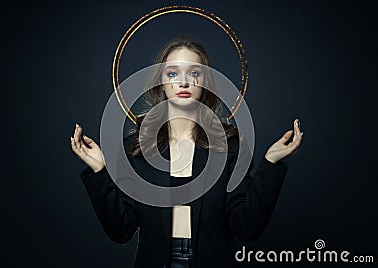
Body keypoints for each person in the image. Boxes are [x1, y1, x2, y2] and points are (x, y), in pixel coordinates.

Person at [70, 36, 303, 268]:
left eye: (194, 73)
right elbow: (121, 230)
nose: (183, 82)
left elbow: (247, 227)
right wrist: (99, 171)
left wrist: (271, 164)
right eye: (172, 73)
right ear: (159, 82)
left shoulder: (229, 147)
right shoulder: (137, 149)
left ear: (205, 83)